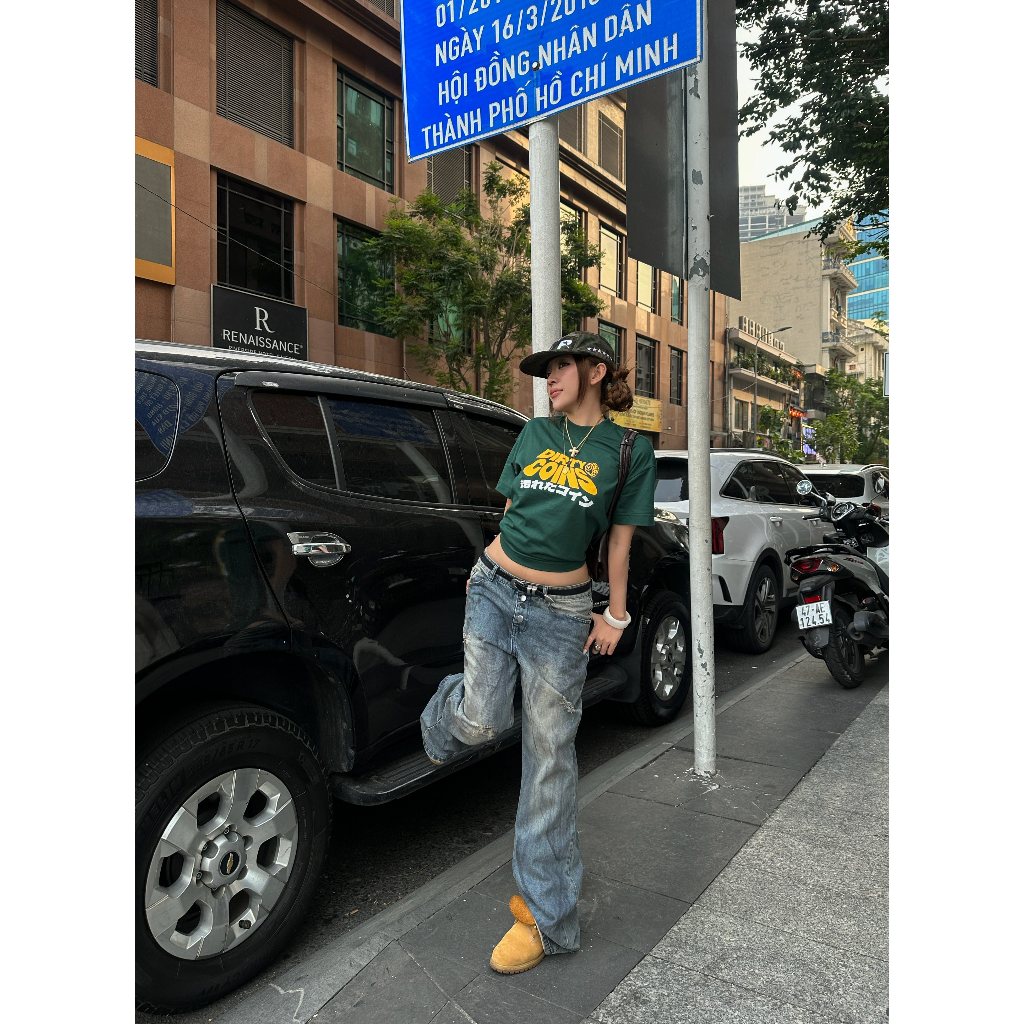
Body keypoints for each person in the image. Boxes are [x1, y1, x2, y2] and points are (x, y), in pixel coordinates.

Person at [420, 331, 656, 974]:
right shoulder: (534, 433)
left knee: (550, 760)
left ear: (595, 371)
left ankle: (546, 918)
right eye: (546, 369)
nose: (549, 378)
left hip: (561, 614)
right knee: (480, 721)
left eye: (560, 367)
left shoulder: (628, 450)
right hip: (494, 587)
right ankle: (443, 714)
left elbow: (619, 544)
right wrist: (490, 573)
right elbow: (511, 511)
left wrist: (615, 615)